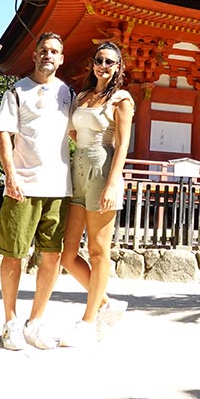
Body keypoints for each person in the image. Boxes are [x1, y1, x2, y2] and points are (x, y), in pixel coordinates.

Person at [0, 32, 73, 350]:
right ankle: (10, 321)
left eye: (54, 51)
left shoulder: (67, 93)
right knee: (13, 255)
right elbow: (3, 134)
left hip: (59, 187)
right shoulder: (17, 91)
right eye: (43, 50)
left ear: (62, 58)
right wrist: (10, 175)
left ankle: (35, 322)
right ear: (34, 55)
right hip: (22, 185)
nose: (48, 55)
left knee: (52, 257)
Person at [59, 40, 134, 347]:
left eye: (110, 62)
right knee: (67, 254)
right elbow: (74, 132)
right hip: (77, 167)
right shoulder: (82, 96)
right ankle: (105, 303)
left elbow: (123, 143)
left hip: (102, 168)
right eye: (99, 60)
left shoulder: (121, 100)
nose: (103, 66)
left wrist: (114, 182)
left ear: (118, 68)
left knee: (98, 250)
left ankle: (88, 320)